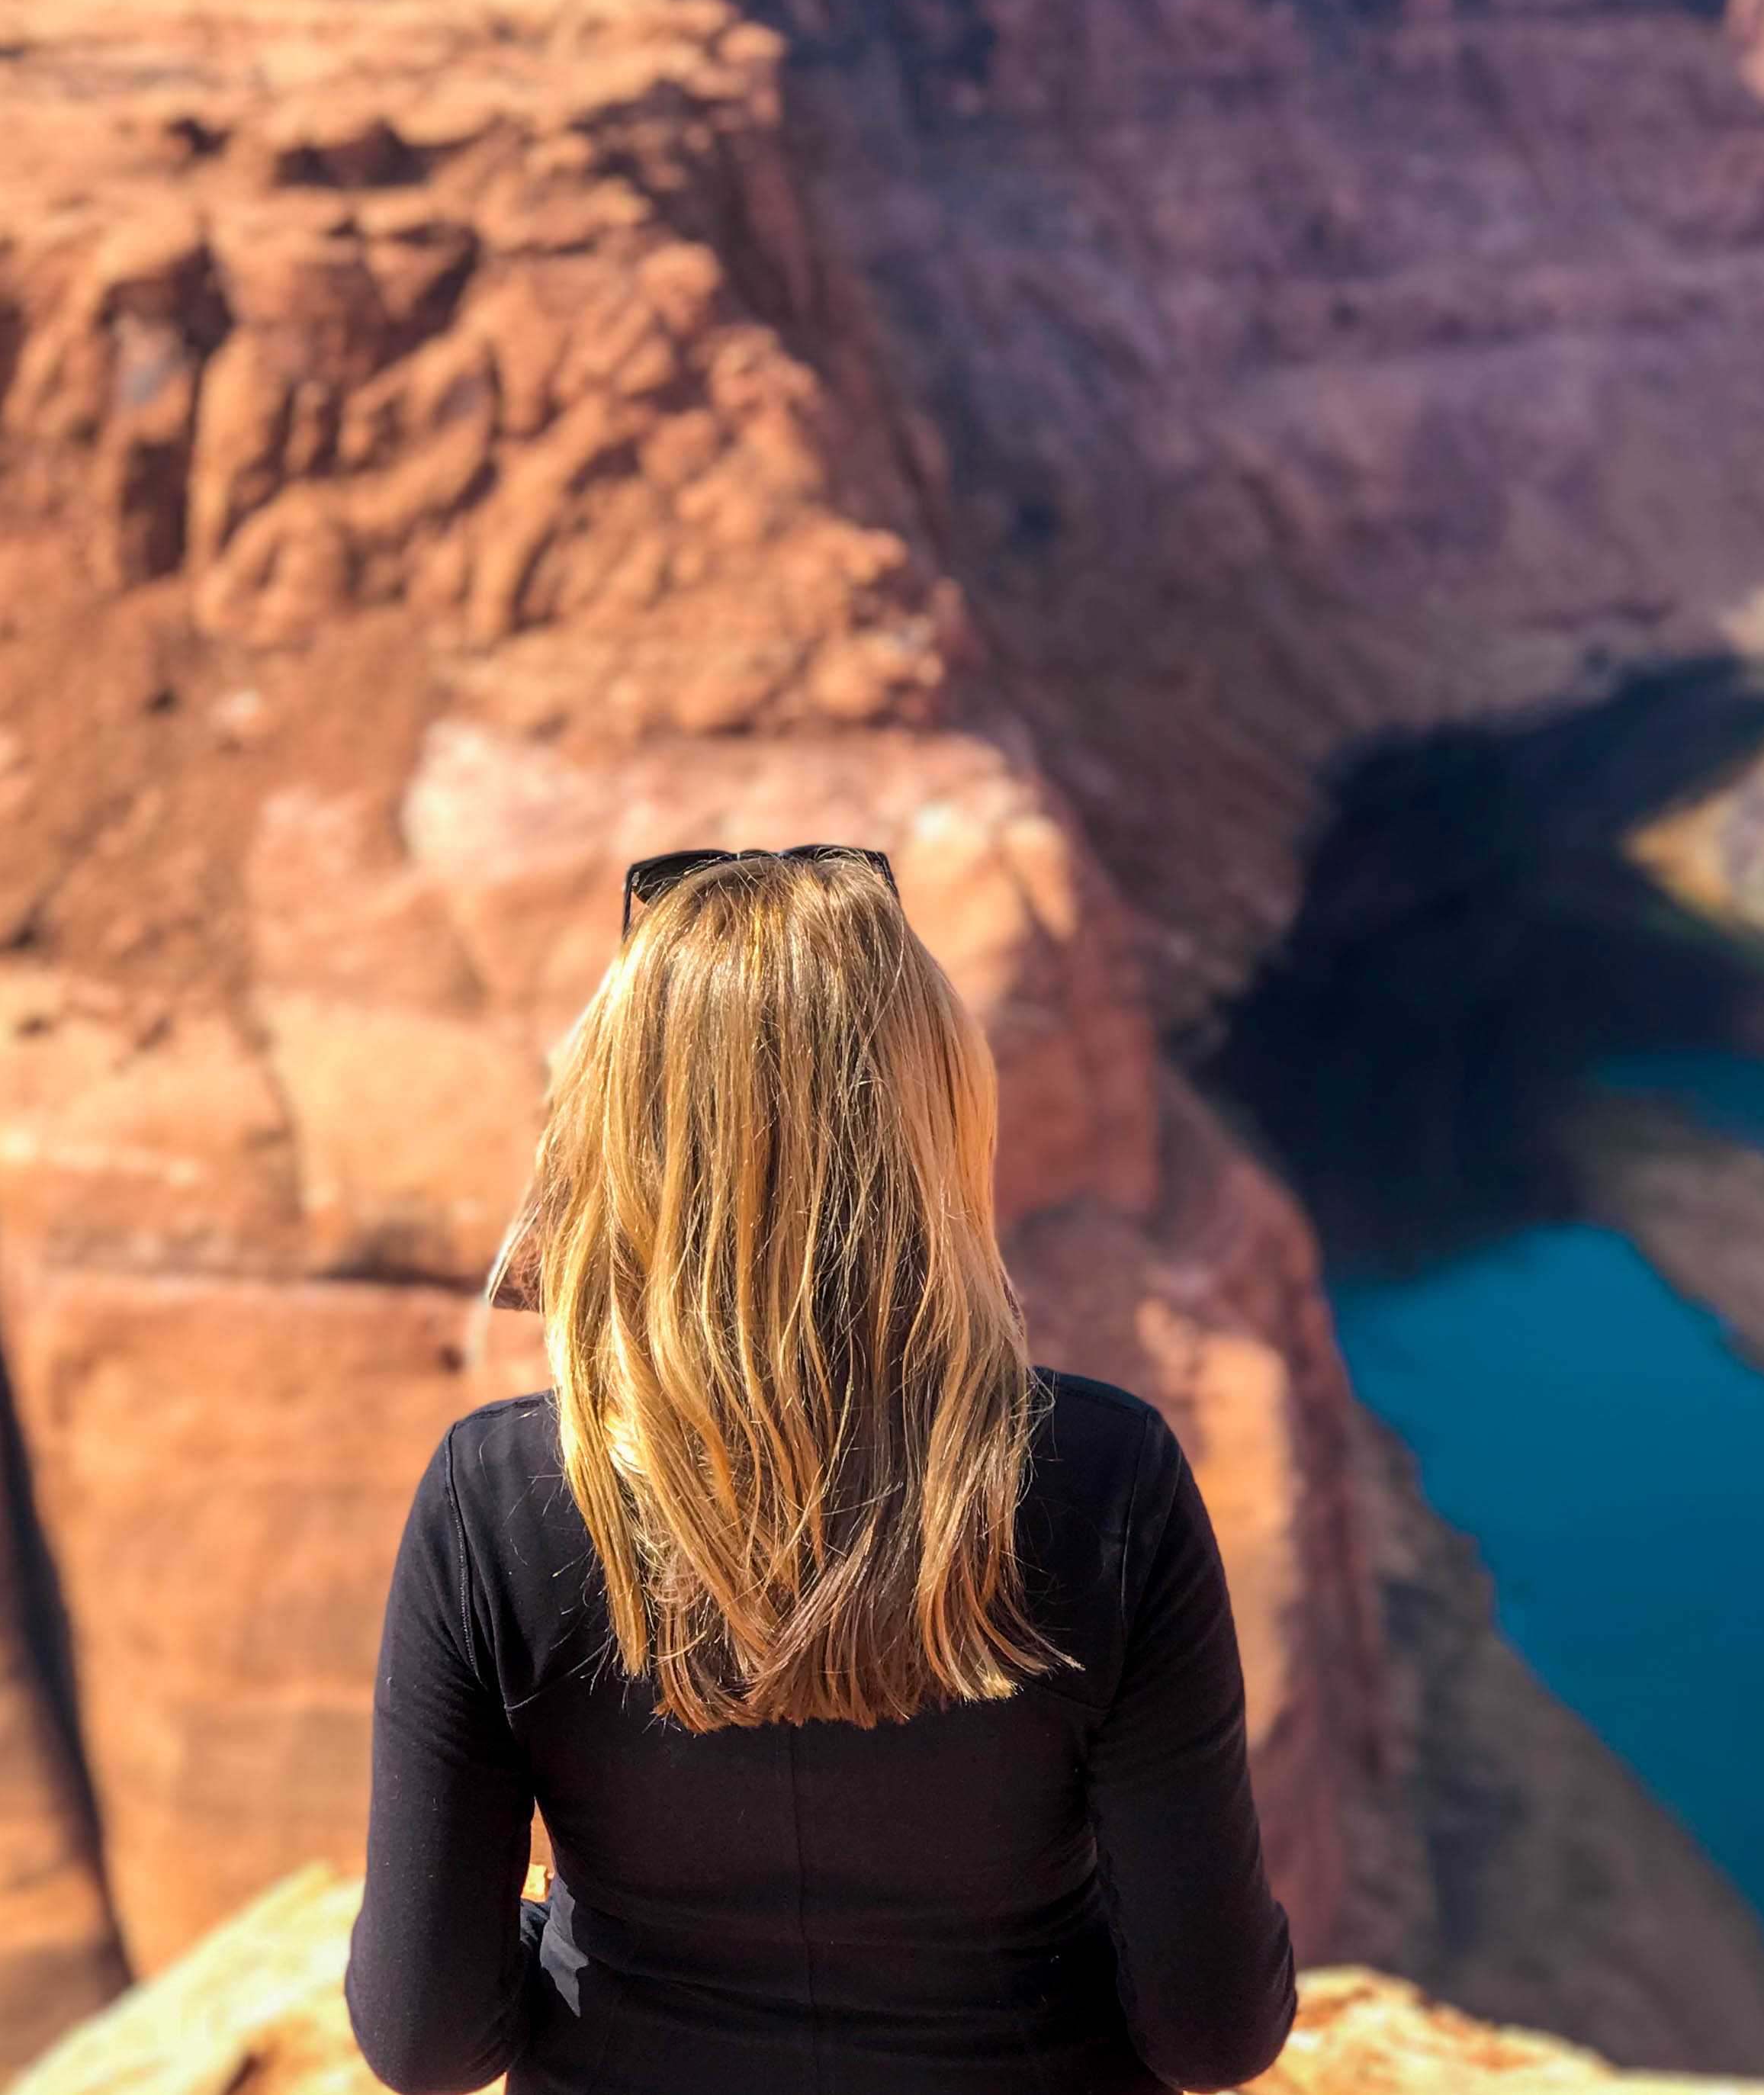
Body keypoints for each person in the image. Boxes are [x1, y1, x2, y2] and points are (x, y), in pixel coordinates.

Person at [345, 843, 1296, 2095]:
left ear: (623, 1129)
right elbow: (1213, 2033)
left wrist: (577, 1947)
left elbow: (422, 2042)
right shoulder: (1102, 1480)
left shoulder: (498, 1498)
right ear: (936, 1113)